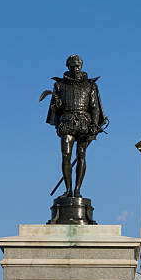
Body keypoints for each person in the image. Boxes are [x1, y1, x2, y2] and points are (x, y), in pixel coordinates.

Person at [45, 54, 106, 197]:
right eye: (73, 66)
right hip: (66, 122)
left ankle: (77, 190)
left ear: (81, 66)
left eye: (78, 66)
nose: (76, 69)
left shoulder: (90, 85)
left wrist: (94, 124)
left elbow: (94, 107)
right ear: (68, 67)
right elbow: (55, 109)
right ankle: (68, 190)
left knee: (81, 155)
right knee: (66, 155)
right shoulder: (59, 85)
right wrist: (56, 105)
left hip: (84, 122)